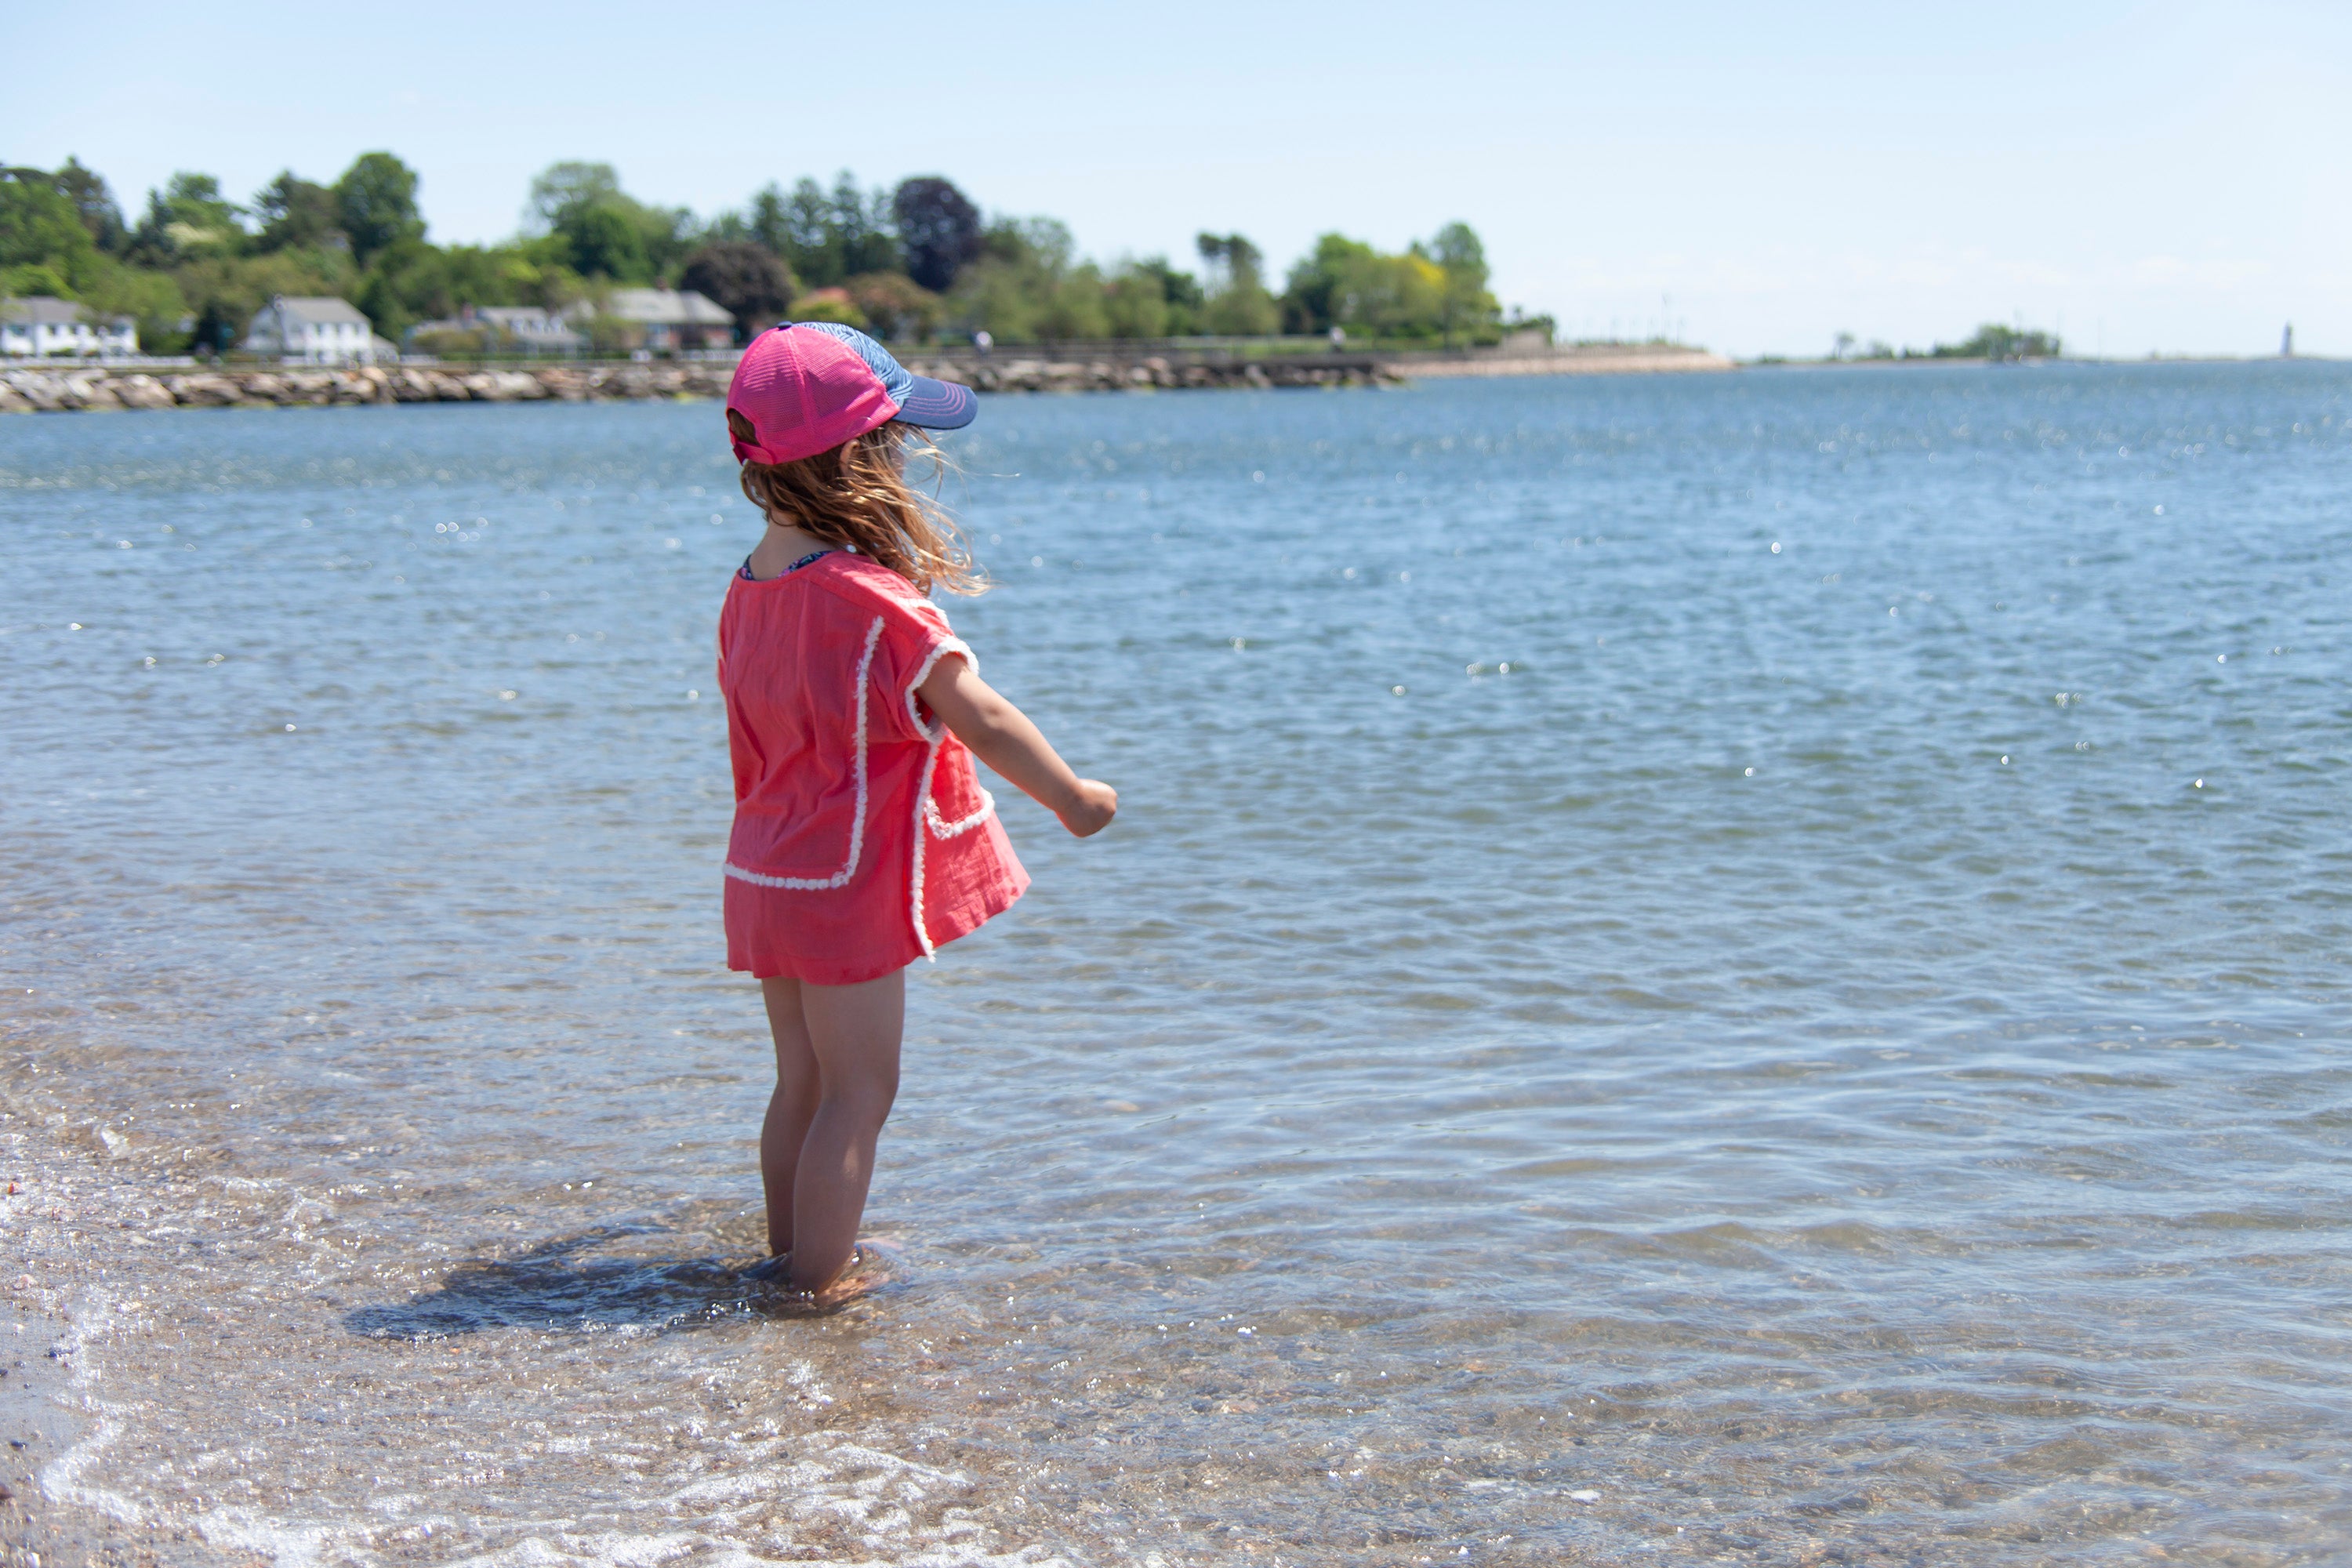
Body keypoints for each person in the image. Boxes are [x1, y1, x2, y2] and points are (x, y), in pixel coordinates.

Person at [716, 321, 1116, 1301]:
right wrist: (1071, 795)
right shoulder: (877, 603)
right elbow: (975, 711)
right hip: (845, 887)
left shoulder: (749, 588)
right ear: (866, 460)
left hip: (766, 873)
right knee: (861, 1093)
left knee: (800, 1084)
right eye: (895, 441)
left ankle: (787, 1250)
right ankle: (813, 1287)